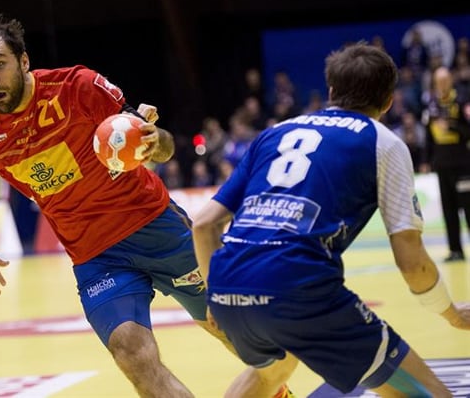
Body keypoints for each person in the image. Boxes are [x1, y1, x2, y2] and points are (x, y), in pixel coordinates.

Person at [0, 14, 292, 398]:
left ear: (24, 62)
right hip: (96, 257)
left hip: (157, 228)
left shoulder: (77, 86)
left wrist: (156, 141)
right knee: (131, 351)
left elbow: (157, 141)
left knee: (225, 324)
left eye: (0, 65)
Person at [192, 42, 470, 397]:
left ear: (331, 92)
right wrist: (451, 314)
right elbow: (412, 263)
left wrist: (215, 294)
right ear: (387, 102)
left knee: (270, 373)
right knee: (428, 393)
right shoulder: (382, 142)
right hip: (299, 290)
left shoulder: (273, 133)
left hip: (230, 288)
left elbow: (203, 225)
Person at [421, 65, 470, 262]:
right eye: (438, 81)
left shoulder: (462, 101)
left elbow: (468, 131)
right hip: (442, 164)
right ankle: (455, 250)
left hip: (463, 164)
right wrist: (425, 160)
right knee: (449, 210)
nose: (441, 84)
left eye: (444, 80)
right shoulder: (431, 104)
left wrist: (450, 126)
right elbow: (427, 136)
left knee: (468, 208)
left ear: (450, 80)